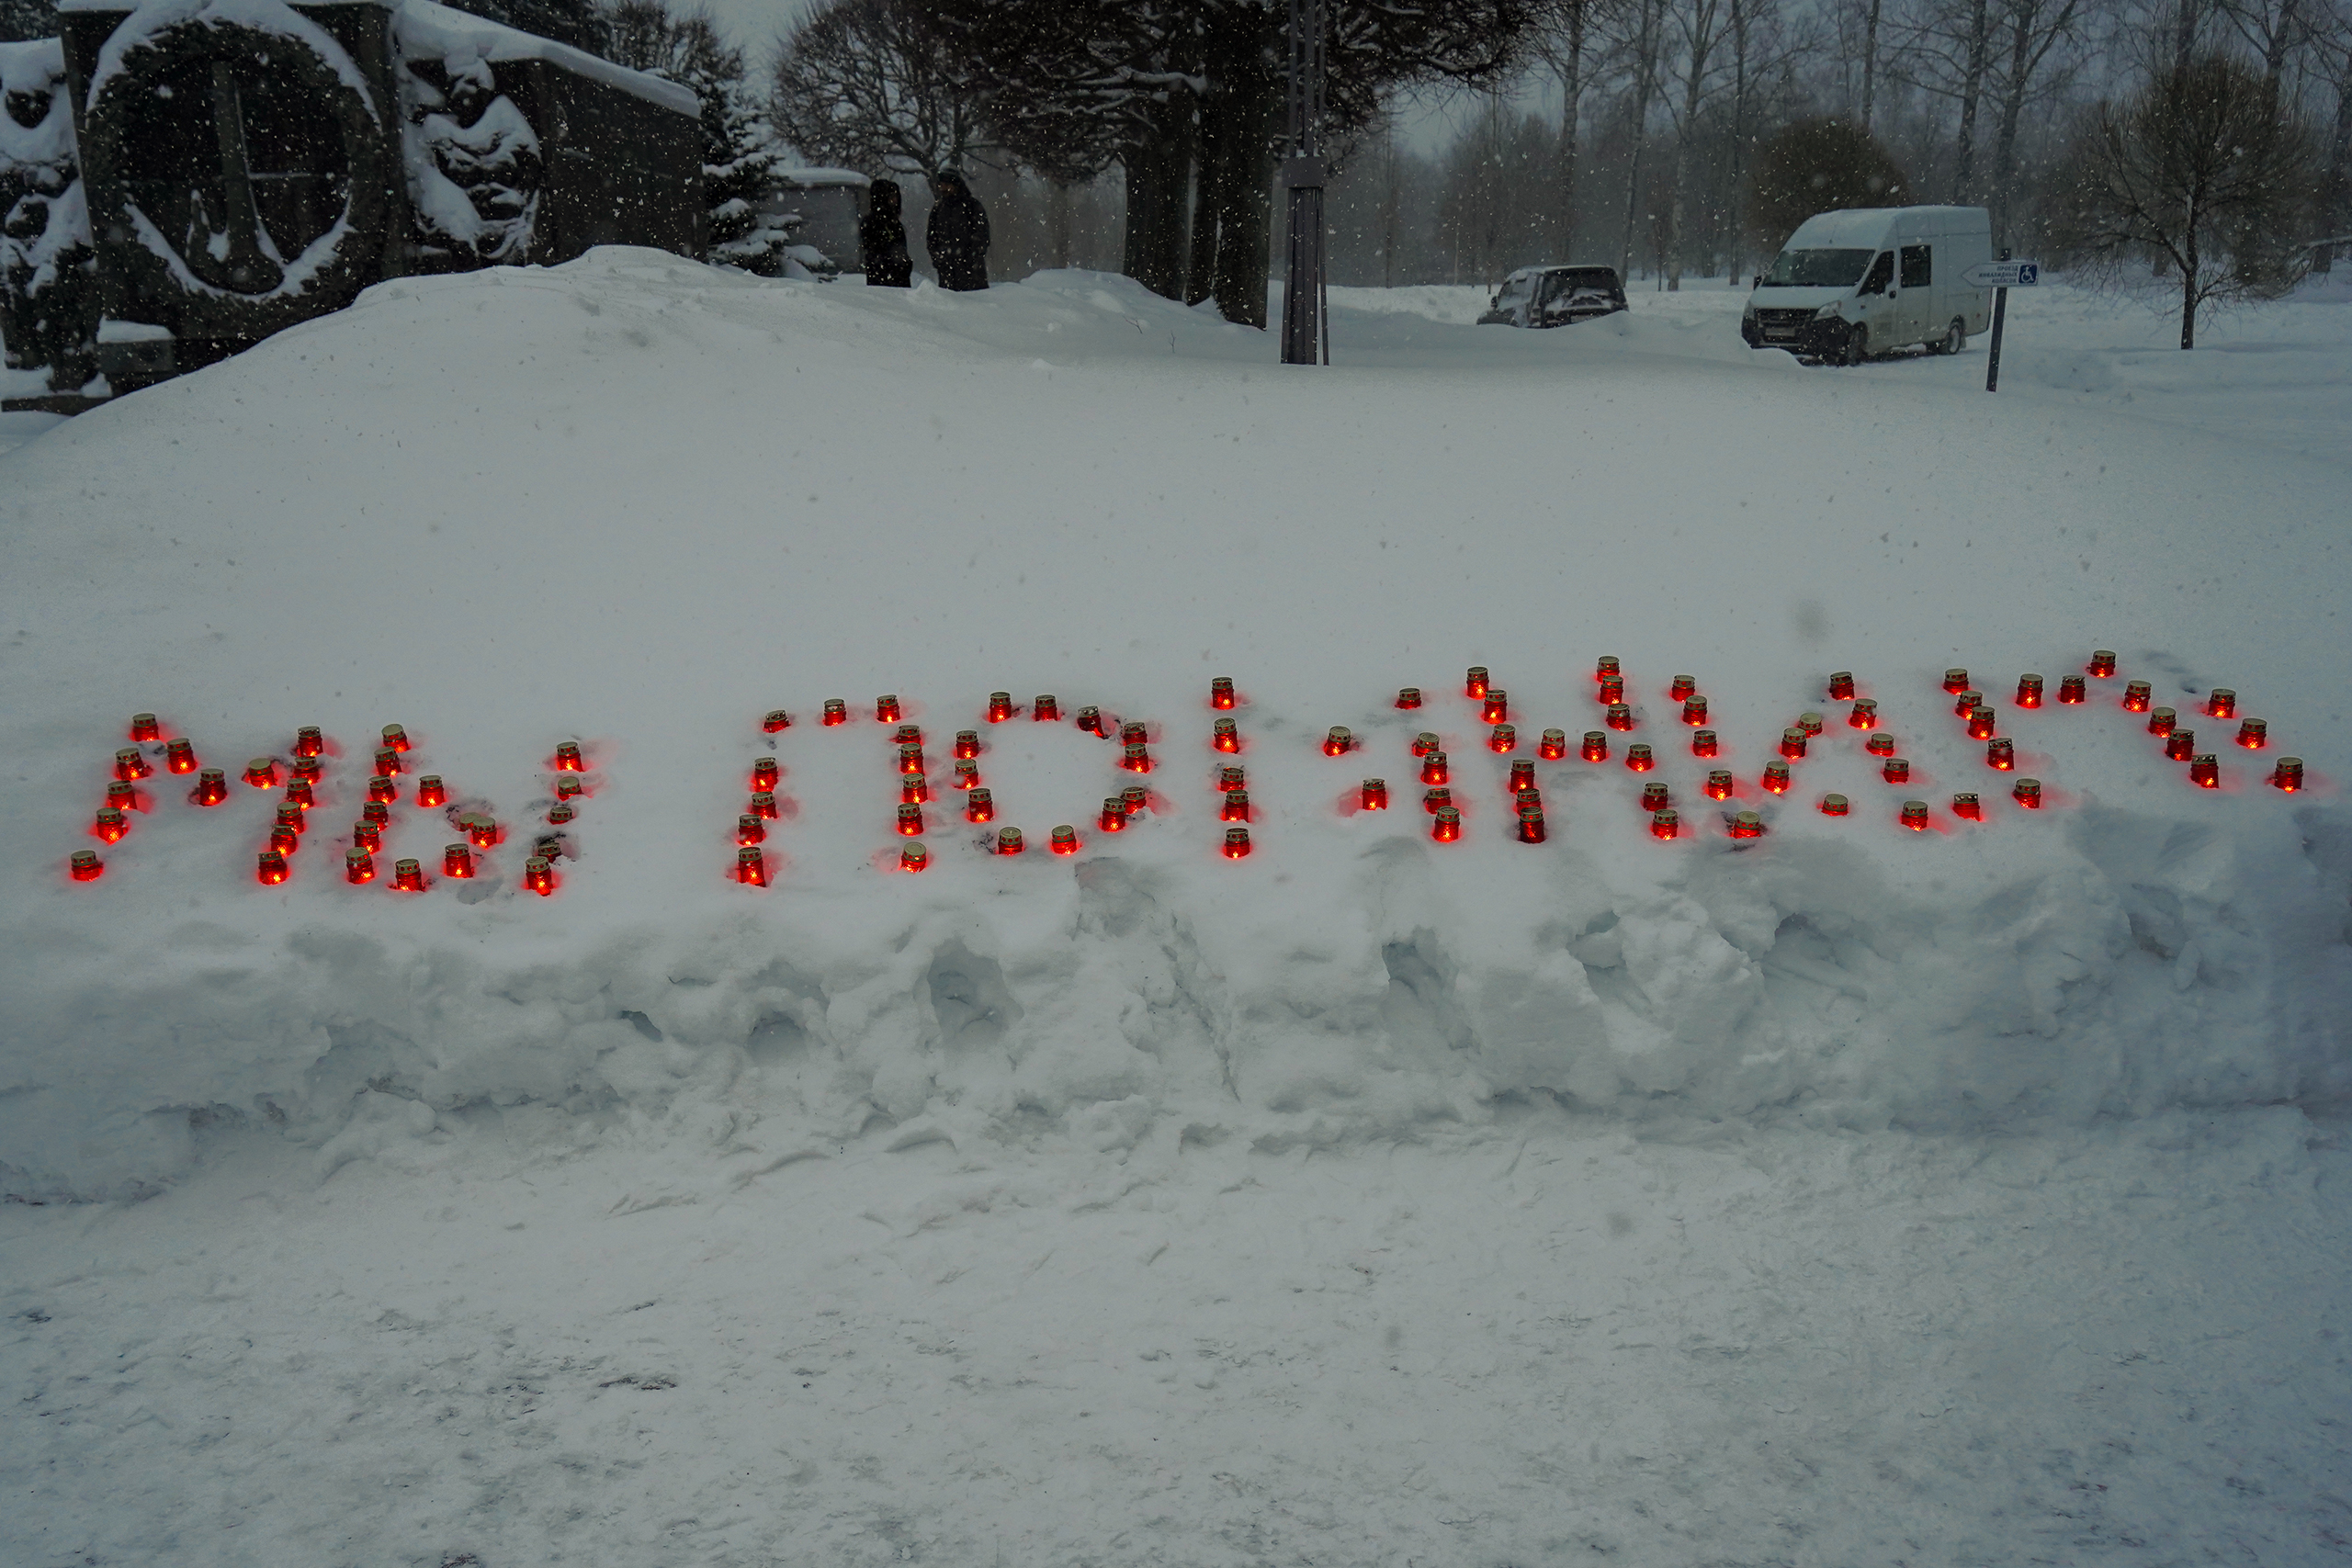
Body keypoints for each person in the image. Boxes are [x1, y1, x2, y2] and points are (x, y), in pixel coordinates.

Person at [926, 169, 989, 292]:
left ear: (955, 185)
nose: (942, 188)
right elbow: (931, 239)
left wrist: (970, 258)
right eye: (941, 185)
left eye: (946, 185)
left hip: (972, 275)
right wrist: (939, 260)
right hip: (947, 274)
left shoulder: (972, 206)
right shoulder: (938, 208)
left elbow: (982, 236)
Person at [858, 179, 911, 288]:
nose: (895, 201)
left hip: (896, 279)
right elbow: (873, 252)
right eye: (891, 197)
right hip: (883, 280)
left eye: (895, 197)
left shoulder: (894, 223)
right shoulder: (872, 223)